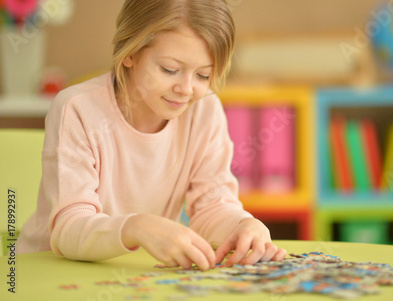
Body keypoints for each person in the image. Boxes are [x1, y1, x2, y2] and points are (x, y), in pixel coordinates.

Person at [18, 0, 286, 271]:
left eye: (203, 75)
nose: (186, 89)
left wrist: (243, 224)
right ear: (130, 53)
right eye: (170, 69)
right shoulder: (77, 109)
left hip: (137, 274)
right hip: (49, 269)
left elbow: (212, 206)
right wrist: (137, 226)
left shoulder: (204, 111)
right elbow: (69, 228)